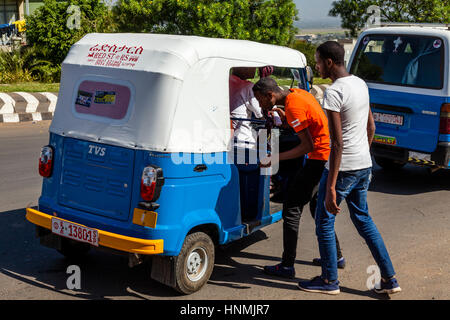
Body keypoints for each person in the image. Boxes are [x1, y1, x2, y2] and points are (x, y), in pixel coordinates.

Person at [298, 41, 401, 295]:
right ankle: (389, 279)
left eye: (318, 61)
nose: (316, 65)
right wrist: (362, 157)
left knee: (324, 222)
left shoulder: (334, 92)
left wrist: (331, 185)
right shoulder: (360, 84)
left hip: (343, 169)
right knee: (364, 220)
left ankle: (329, 281)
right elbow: (372, 128)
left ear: (329, 63)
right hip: (364, 165)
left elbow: (338, 143)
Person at [252, 77, 345, 279]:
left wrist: (273, 157)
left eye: (260, 100)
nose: (260, 105)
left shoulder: (293, 106)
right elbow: (307, 123)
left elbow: (307, 146)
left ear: (270, 95)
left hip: (317, 159)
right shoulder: (297, 94)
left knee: (292, 208)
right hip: (325, 157)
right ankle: (336, 257)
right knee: (315, 207)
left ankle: (287, 266)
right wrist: (285, 120)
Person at [229, 67, 264, 149]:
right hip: (242, 139)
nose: (255, 69)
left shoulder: (225, 82)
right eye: (252, 66)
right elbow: (260, 113)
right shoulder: (248, 86)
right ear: (243, 67)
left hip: (223, 136)